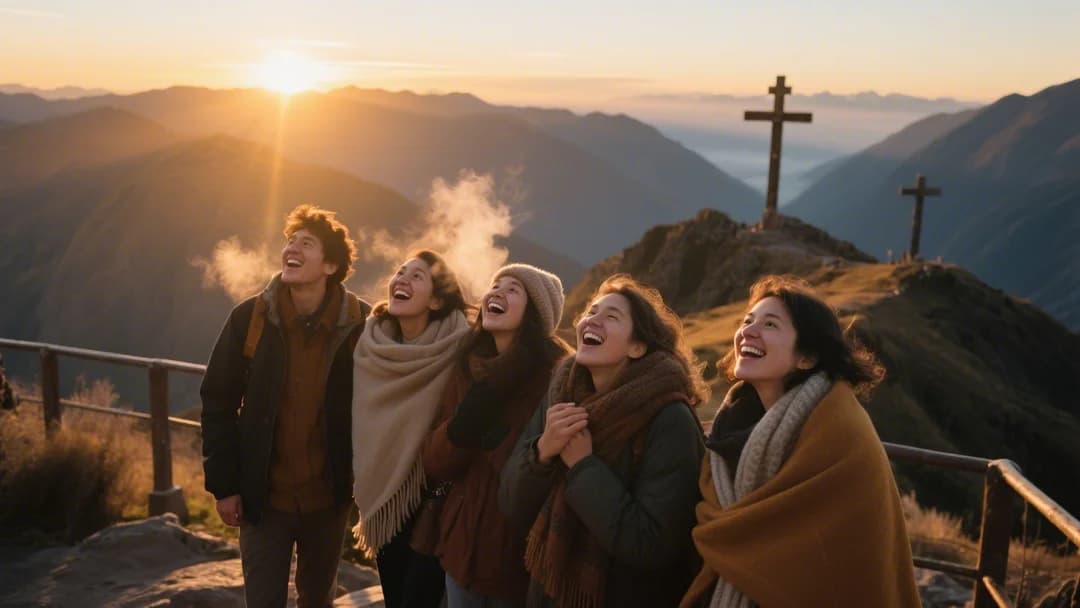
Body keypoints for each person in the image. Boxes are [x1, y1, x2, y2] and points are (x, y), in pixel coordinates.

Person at [681, 275, 919, 608]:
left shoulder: (840, 433)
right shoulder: (729, 430)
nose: (748, 331)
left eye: (770, 324)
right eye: (747, 321)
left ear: (806, 357)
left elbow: (837, 565)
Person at [500, 274, 708, 608]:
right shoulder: (562, 393)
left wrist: (583, 467)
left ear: (637, 346)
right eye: (591, 312)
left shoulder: (670, 419)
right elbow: (510, 502)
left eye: (611, 317)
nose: (592, 320)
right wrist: (541, 452)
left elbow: (650, 544)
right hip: (548, 595)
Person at [201, 204, 369, 608]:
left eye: (306, 243)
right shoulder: (251, 318)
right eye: (290, 241)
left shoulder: (359, 324)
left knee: (317, 599)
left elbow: (379, 403)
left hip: (328, 500)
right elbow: (218, 401)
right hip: (264, 498)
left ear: (330, 265)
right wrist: (225, 487)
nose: (291, 248)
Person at [422, 264, 571, 607]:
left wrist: (497, 440)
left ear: (535, 314)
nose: (497, 293)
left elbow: (550, 473)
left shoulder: (556, 378)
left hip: (516, 557)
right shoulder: (467, 364)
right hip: (461, 549)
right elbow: (433, 461)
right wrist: (459, 432)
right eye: (496, 285)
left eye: (513, 290)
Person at [351, 250, 472, 608]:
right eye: (400, 272)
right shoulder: (370, 346)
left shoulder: (461, 348)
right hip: (385, 497)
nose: (402, 279)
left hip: (436, 500)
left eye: (417, 276)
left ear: (436, 300)